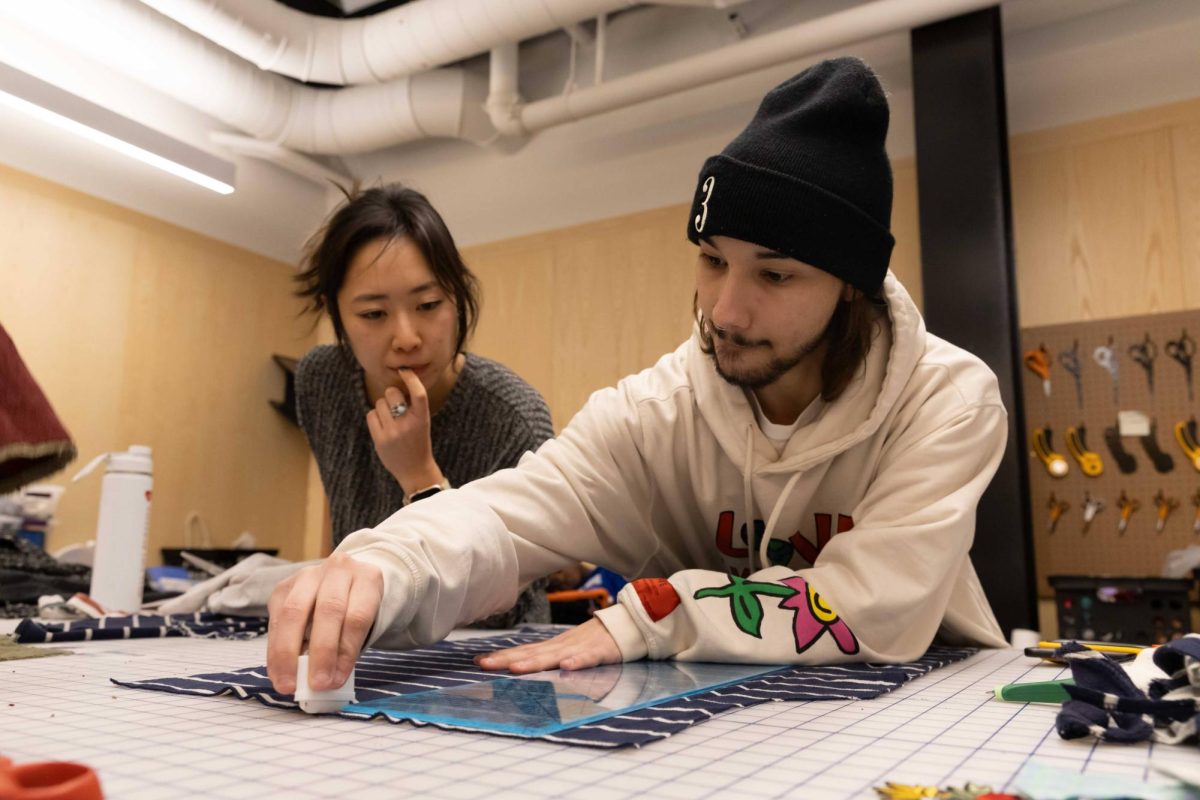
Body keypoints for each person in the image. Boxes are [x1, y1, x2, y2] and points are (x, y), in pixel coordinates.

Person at [267, 57, 1009, 696]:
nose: (726, 310)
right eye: (712, 259)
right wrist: (381, 564)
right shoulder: (658, 412)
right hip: (730, 723)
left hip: (913, 708)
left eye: (775, 275)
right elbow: (506, 516)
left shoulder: (946, 401)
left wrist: (653, 612)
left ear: (851, 283)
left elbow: (872, 604)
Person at [292, 183, 555, 629]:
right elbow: (342, 519)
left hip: (492, 657)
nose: (408, 337)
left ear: (458, 295)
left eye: (428, 304)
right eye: (374, 314)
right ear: (333, 312)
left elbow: (503, 605)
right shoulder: (321, 380)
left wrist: (419, 476)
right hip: (369, 641)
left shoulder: (512, 415)